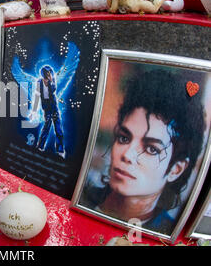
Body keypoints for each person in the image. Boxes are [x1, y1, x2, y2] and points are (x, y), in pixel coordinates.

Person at [81, 69, 206, 235]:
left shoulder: (162, 232)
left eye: (152, 149)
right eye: (124, 138)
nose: (127, 155)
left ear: (176, 169)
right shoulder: (84, 198)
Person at [30, 66, 66, 159]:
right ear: (43, 76)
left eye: (49, 75)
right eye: (46, 76)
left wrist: (51, 81)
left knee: (58, 128)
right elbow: (37, 97)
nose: (47, 79)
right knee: (46, 127)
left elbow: (53, 90)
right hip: (46, 108)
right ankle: (40, 147)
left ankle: (60, 150)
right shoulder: (39, 83)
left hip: (54, 107)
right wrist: (33, 111)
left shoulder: (52, 82)